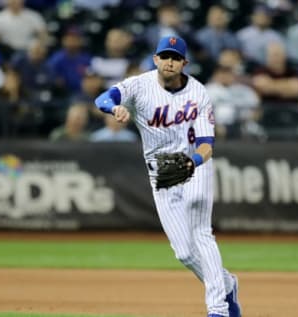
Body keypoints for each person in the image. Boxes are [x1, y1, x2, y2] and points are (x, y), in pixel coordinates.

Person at [94, 35, 241, 317]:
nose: (170, 62)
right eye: (165, 56)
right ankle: (225, 283)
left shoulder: (198, 92)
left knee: (202, 232)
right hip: (161, 173)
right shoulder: (139, 85)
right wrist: (115, 108)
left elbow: (207, 145)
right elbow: (102, 98)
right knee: (184, 253)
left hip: (194, 165)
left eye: (176, 57)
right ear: (156, 59)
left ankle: (218, 309)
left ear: (184, 63)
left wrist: (193, 161)